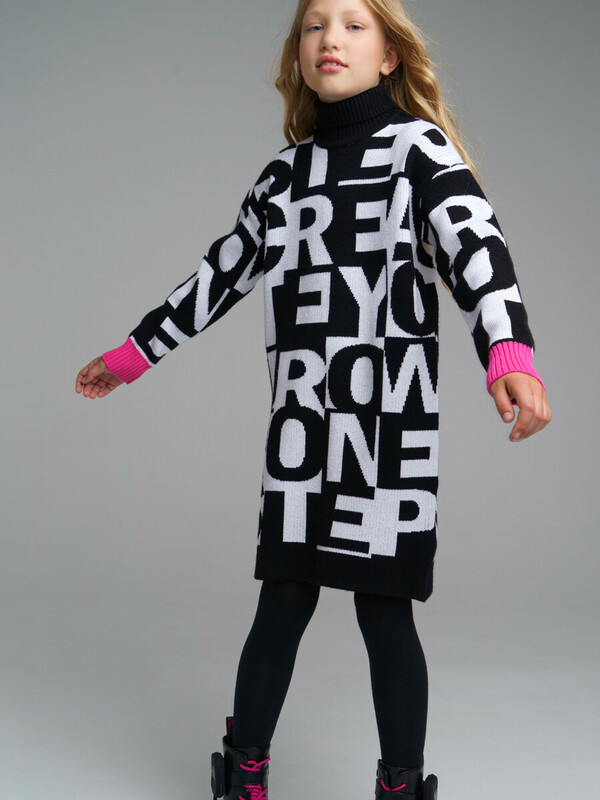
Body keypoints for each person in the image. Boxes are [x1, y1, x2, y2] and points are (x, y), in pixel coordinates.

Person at [75, 0, 551, 797]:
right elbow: (220, 275)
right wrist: (132, 355)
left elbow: (478, 248)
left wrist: (509, 351)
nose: (331, 38)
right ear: (298, 51)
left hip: (388, 433)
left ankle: (400, 785)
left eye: (355, 25)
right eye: (315, 25)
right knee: (285, 597)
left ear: (391, 54)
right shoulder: (284, 177)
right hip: (302, 433)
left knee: (384, 610)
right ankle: (245, 775)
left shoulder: (418, 151)